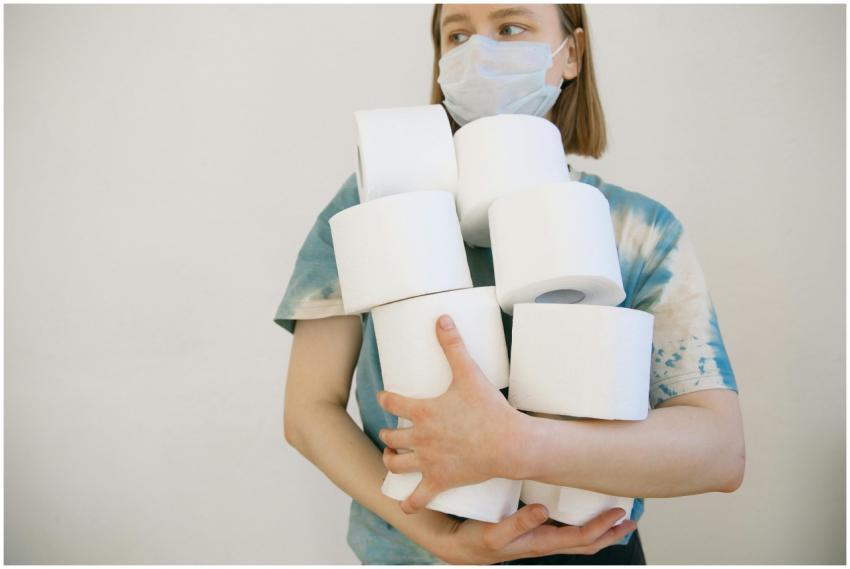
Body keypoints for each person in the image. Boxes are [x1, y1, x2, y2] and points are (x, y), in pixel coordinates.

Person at [276, 4, 745, 565]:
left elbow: (721, 453)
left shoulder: (636, 231)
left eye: (510, 27)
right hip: (412, 551)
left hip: (586, 550)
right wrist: (441, 537)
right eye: (457, 34)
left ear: (570, 54)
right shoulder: (377, 205)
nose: (480, 49)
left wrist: (516, 447)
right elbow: (309, 410)